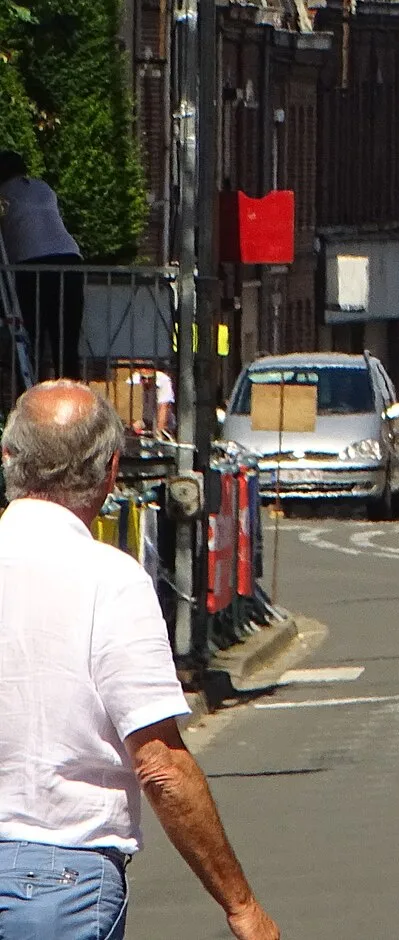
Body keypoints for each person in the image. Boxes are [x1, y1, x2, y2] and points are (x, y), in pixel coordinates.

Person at [0, 381, 280, 940]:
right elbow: (161, 764)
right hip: (59, 877)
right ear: (110, 471)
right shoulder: (111, 581)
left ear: (8, 459)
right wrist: (242, 906)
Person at [0, 150, 84, 381]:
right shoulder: (42, 188)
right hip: (70, 259)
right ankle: (73, 401)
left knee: (30, 340)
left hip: (33, 263)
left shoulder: (5, 194)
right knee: (66, 341)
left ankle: (29, 400)